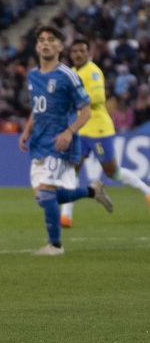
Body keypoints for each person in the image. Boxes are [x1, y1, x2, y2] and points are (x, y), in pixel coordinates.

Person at [17, 25, 113, 256]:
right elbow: (37, 109)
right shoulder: (32, 76)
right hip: (39, 142)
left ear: (60, 46)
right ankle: (92, 191)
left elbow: (86, 111)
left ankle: (55, 245)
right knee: (43, 199)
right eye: (41, 40)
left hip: (60, 142)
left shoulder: (68, 76)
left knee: (48, 194)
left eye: (51, 40)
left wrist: (69, 132)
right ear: (37, 46)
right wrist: (27, 131)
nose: (45, 43)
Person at [60, 38, 150, 227]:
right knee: (72, 170)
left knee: (112, 172)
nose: (77, 54)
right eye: (74, 51)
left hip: (99, 129)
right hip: (80, 129)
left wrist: (75, 98)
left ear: (88, 53)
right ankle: (66, 216)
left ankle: (146, 191)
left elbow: (99, 97)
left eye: (81, 51)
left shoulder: (93, 71)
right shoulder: (73, 72)